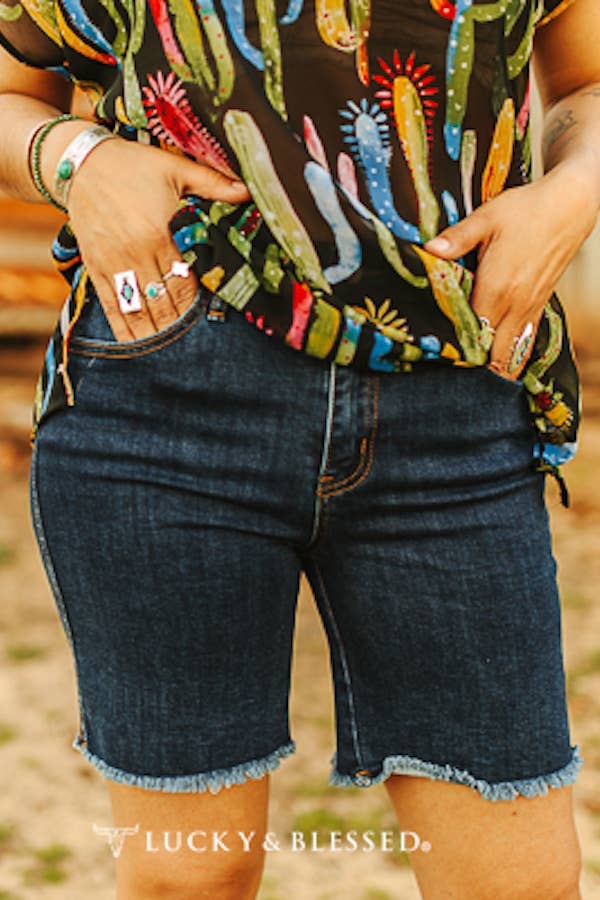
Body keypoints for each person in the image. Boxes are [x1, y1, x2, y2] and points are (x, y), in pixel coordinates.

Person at [0, 0, 598, 895]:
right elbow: (13, 92)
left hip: (456, 399)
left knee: (519, 883)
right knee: (190, 880)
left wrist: (575, 190)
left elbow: (586, 79)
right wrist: (80, 159)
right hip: (169, 397)